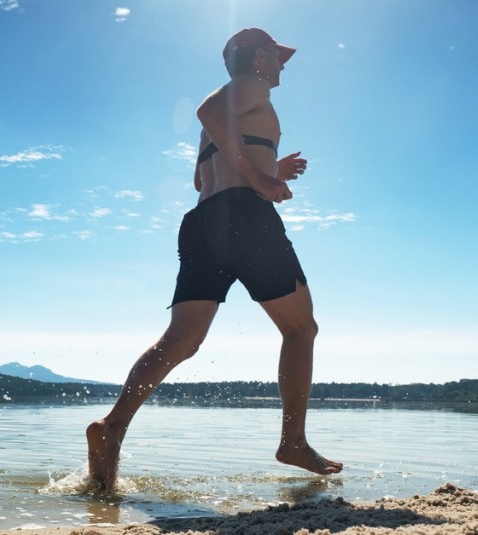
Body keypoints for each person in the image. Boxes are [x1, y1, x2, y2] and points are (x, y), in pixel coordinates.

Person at [86, 28, 343, 492]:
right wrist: (259, 180)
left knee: (182, 340)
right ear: (259, 58)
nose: (283, 66)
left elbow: (201, 177)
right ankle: (293, 442)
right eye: (278, 57)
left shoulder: (224, 123)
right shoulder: (252, 87)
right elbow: (208, 110)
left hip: (204, 221)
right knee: (301, 328)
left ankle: (113, 426)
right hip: (245, 216)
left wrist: (271, 170)